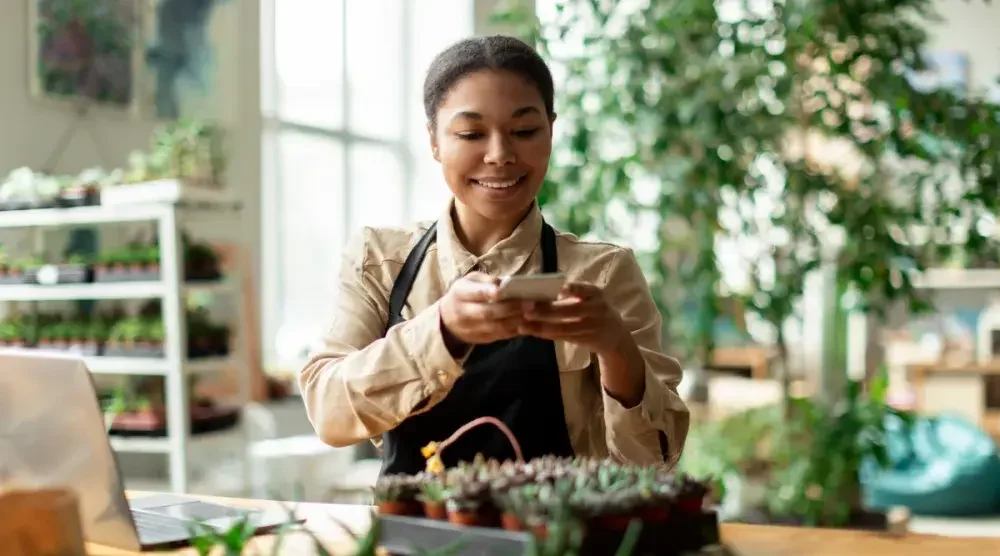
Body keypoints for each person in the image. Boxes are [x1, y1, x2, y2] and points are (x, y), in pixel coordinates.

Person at [299, 35, 689, 476]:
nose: (500, 155)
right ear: (433, 140)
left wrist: (616, 350)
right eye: (470, 133)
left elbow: (655, 464)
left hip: (555, 538)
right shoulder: (379, 259)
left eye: (524, 131)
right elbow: (328, 415)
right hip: (414, 538)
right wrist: (441, 330)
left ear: (551, 131)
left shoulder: (603, 272)